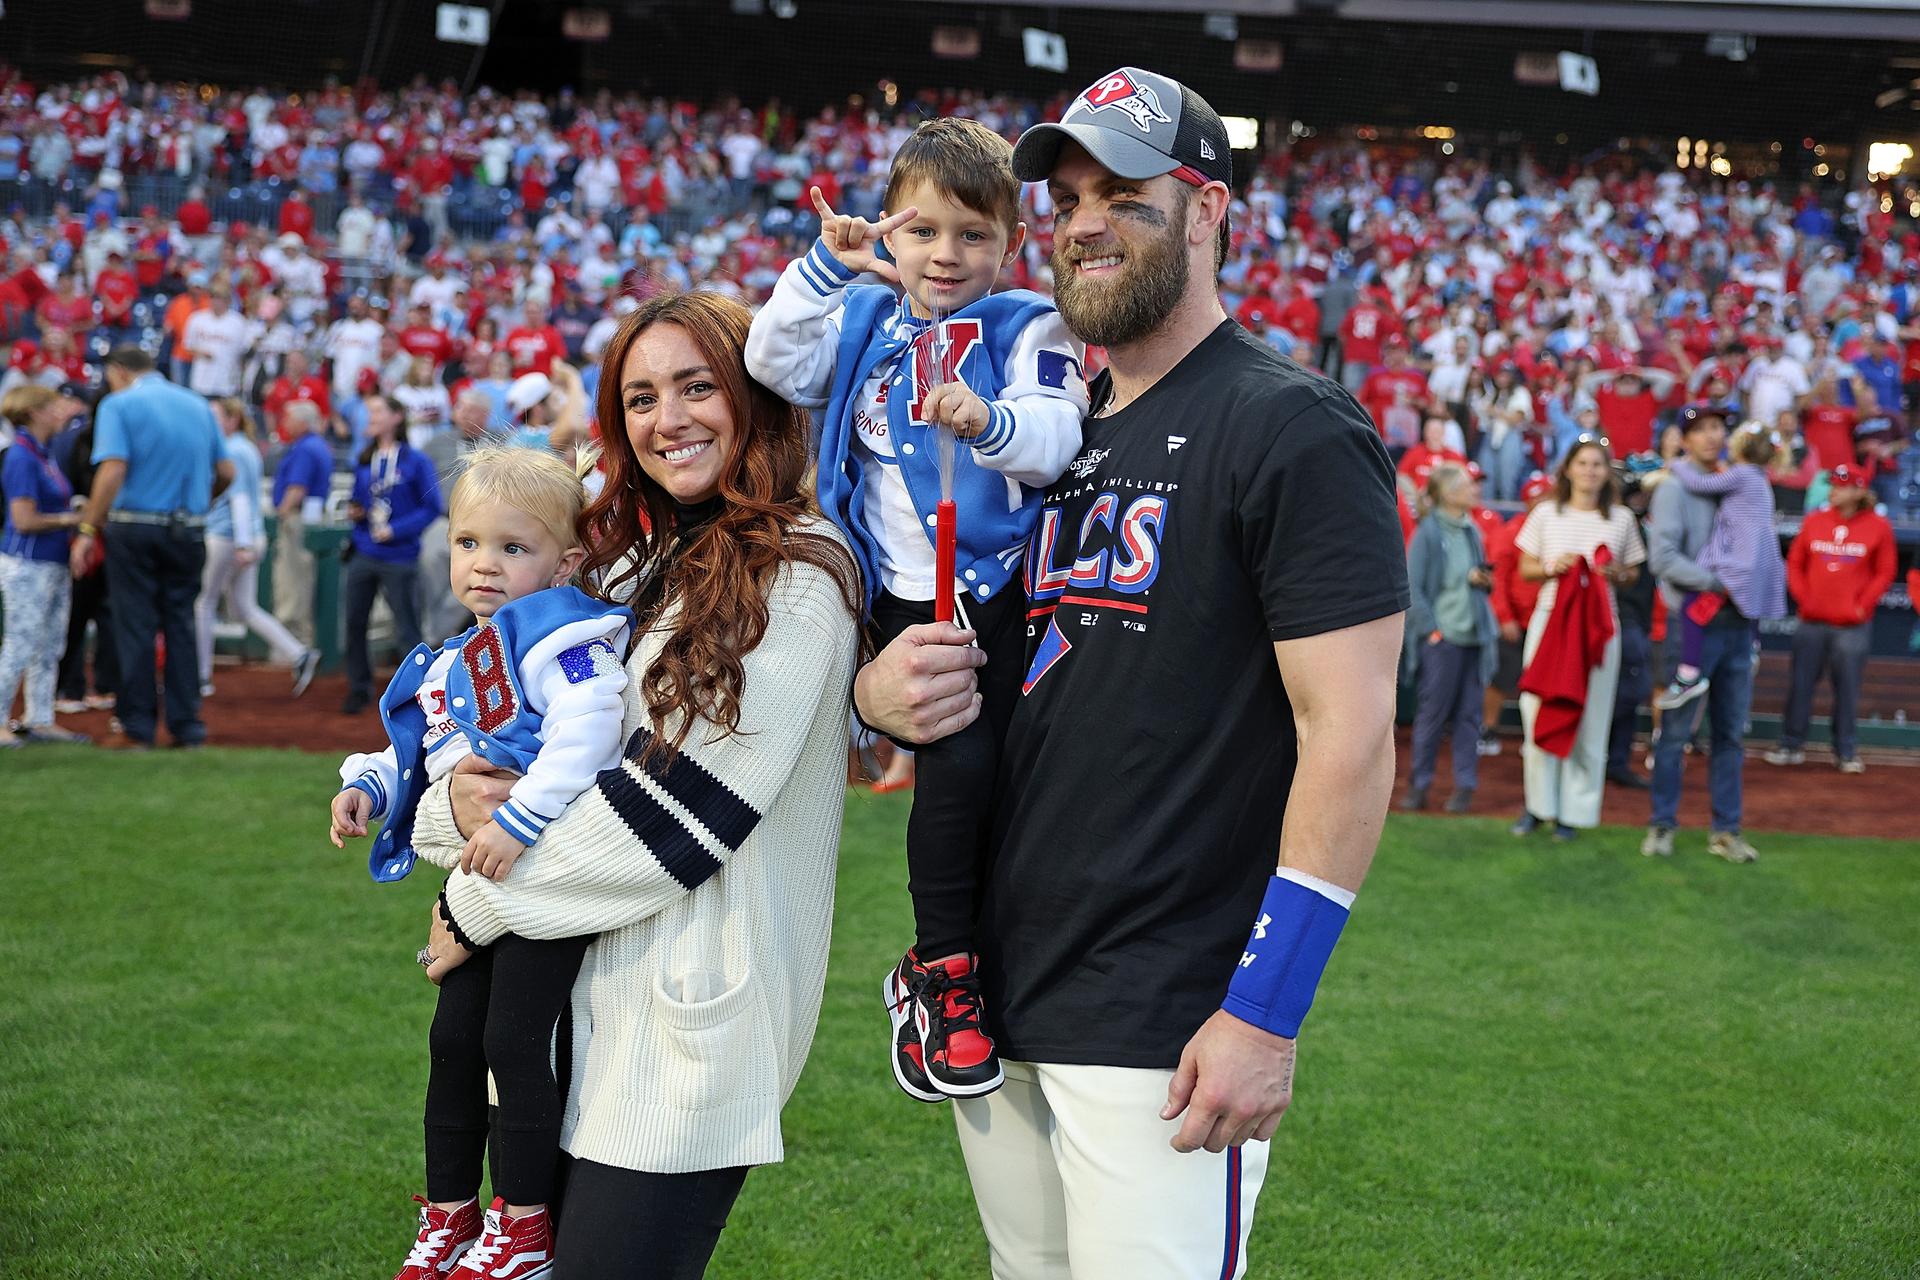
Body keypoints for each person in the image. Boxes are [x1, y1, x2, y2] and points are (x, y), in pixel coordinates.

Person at [853, 68, 1407, 1278]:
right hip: (998, 986)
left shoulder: (1294, 425)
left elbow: (1352, 731)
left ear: (1208, 210)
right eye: (1065, 200)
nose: (1084, 222)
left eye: (1123, 194)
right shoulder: (1044, 428)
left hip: (1167, 1005)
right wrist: (871, 693)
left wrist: (1266, 1008)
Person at [413, 292, 862, 1276]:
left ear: (754, 393)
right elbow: (494, 745)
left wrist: (473, 900)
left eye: (698, 387)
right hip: (567, 1020)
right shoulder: (624, 568)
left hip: (681, 1043)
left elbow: (665, 820)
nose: (670, 419)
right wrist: (445, 808)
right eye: (643, 397)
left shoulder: (796, 575)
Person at [745, 116, 1087, 1102]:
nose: (946, 253)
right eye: (923, 230)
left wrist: (990, 422)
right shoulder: (860, 317)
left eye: (974, 235)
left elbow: (1057, 435)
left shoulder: (1029, 325)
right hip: (896, 597)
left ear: (1009, 245)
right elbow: (775, 363)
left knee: (1021, 782)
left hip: (1001, 588)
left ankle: (998, 953)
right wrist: (822, 267)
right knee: (957, 765)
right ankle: (940, 970)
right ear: (888, 231)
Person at [329, 446, 634, 1280]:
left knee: (513, 1040)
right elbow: (426, 748)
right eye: (469, 543)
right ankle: (451, 1213)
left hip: (551, 877)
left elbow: (590, 729)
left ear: (564, 562)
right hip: (488, 880)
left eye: (513, 546)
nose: (485, 564)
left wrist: (520, 817)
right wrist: (368, 785)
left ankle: (524, 1225)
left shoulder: (561, 635)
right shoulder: (460, 650)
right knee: (454, 1040)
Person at [67, 348, 233, 749]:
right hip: (188, 529)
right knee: (181, 625)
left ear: (118, 371)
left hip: (134, 527)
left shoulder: (118, 404)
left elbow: (113, 468)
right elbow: (226, 472)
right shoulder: (196, 404)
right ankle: (187, 727)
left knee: (136, 626)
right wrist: (201, 503)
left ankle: (137, 727)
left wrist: (88, 527)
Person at [1511, 438, 1645, 841]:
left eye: (1597, 464)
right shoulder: (1545, 513)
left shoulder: (1621, 519)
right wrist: (1554, 566)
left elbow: (1633, 572)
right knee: (1537, 709)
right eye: (1583, 463)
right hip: (1551, 621)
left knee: (1592, 715)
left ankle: (1576, 811)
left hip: (1598, 629)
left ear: (1607, 472)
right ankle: (1538, 806)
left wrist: (1615, 573)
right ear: (1568, 468)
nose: (1590, 471)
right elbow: (1525, 567)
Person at [1642, 404, 1759, 863]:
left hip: (1736, 623)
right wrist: (1720, 582)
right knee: (1674, 731)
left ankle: (1726, 830)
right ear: (1685, 439)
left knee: (1730, 733)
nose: (1712, 436)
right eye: (1702, 429)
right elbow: (1662, 558)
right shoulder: (1673, 488)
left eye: (1718, 428)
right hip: (1691, 624)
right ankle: (1662, 825)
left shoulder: (1736, 482)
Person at [1764, 463, 1896, 774]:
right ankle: (1791, 744)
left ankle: (1845, 751)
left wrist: (1861, 606)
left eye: (1842, 485)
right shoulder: (1815, 520)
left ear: (1859, 491)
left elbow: (1885, 572)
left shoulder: (1878, 526)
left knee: (1847, 689)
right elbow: (1794, 562)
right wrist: (1805, 598)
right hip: (1812, 620)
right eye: (1833, 484)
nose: (1834, 490)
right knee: (1800, 685)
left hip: (1852, 625)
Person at [1654, 422, 1787, 711]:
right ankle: (1753, 647)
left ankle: (1688, 675)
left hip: (1736, 564)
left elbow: (1699, 484)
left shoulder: (1740, 474)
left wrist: (1676, 464)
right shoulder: (1760, 477)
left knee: (1692, 608)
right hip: (1757, 562)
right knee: (1749, 605)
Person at [194, 397, 319, 699]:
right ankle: (298, 653)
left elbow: (237, 499)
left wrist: (243, 543)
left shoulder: (233, 449)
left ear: (232, 419)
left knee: (204, 604)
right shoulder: (245, 447)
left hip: (228, 536)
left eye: (216, 416)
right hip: (244, 535)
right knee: (244, 607)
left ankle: (200, 677)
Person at [1401, 462, 1498, 813]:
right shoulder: (1428, 533)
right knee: (1433, 715)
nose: (1474, 490)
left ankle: (1464, 787)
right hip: (1444, 641)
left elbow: (1471, 581)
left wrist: (1482, 581)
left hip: (1473, 637)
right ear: (1447, 493)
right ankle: (1419, 786)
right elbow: (1412, 588)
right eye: (1466, 484)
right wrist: (1433, 631)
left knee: (1469, 717)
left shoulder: (1471, 530)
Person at [340, 393, 442, 715]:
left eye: (377, 411)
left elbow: (432, 507)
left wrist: (396, 529)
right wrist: (356, 512)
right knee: (354, 622)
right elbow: (360, 498)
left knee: (407, 627)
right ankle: (359, 687)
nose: (369, 417)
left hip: (400, 555)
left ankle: (417, 694)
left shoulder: (416, 461)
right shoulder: (365, 458)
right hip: (364, 550)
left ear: (396, 417)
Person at [1, 384, 89, 746]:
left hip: (49, 561)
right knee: (20, 643)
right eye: (53, 406)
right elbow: (23, 520)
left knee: (50, 644)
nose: (61, 411)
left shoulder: (42, 453)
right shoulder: (22, 456)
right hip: (27, 562)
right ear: (35, 412)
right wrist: (71, 519)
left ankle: (40, 718)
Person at [271, 400, 332, 650]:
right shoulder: (316, 445)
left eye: (289, 417)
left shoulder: (306, 448)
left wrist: (282, 513)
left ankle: (293, 646)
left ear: (303, 422)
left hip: (297, 520)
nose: (285, 422)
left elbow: (297, 489)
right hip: (309, 518)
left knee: (292, 582)